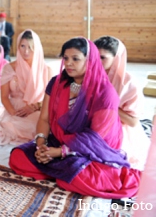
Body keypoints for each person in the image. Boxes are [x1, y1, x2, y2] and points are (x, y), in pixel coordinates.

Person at [9, 38, 141, 199]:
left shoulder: (104, 93)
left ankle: (59, 169)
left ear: (90, 60)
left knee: (77, 178)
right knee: (18, 157)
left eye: (75, 59)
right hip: (58, 141)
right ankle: (59, 169)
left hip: (90, 152)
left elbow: (96, 139)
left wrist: (58, 152)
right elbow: (44, 119)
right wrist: (41, 145)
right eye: (65, 58)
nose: (68, 63)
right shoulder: (57, 83)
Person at [94, 36, 149, 170]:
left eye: (103, 57)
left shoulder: (129, 82)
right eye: (94, 56)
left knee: (105, 162)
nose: (96, 61)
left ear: (116, 58)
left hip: (119, 129)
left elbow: (133, 122)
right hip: (92, 124)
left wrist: (107, 107)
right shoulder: (89, 76)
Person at [0, 30, 52, 143]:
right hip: (14, 110)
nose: (26, 51)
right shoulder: (9, 68)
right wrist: (14, 114)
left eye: (30, 47)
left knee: (37, 128)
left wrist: (33, 107)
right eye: (22, 46)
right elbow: (4, 97)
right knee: (8, 127)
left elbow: (50, 99)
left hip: (37, 109)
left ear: (36, 47)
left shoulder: (46, 70)